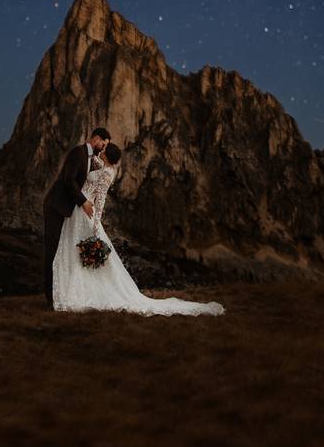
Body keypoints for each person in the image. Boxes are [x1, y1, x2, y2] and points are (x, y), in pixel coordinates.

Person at [51, 140, 225, 316]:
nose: (100, 152)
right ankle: (75, 287)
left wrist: (96, 225)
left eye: (103, 150)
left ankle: (82, 290)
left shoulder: (107, 174)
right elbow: (94, 163)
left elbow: (101, 199)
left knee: (80, 249)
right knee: (72, 248)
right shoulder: (102, 166)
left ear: (107, 155)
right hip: (79, 209)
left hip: (87, 211)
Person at [42, 126, 109, 305]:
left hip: (65, 209)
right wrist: (83, 201)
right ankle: (50, 297)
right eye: (103, 143)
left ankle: (57, 293)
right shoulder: (77, 153)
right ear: (96, 139)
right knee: (53, 251)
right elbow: (68, 179)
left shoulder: (89, 158)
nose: (103, 147)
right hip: (55, 206)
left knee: (60, 251)